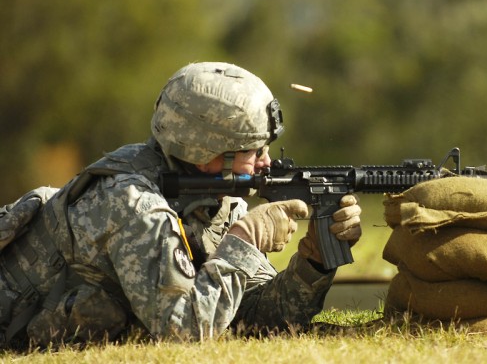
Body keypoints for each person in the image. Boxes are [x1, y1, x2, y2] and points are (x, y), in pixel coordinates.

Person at [0, 62, 362, 347]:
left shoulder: (213, 198)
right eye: (255, 150)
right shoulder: (133, 204)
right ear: (207, 154)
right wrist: (244, 239)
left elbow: (250, 315)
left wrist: (312, 263)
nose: (267, 162)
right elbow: (185, 333)